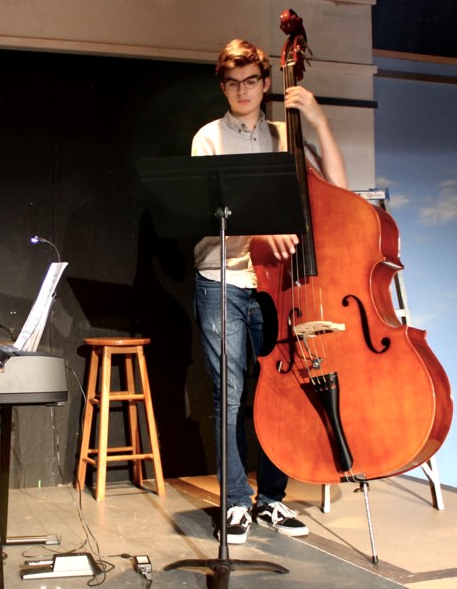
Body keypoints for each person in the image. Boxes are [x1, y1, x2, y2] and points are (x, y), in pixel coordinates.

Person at [191, 39, 348, 545]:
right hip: (224, 278)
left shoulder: (286, 134)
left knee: (278, 392)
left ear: (265, 82)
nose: (242, 90)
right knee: (231, 394)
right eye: (232, 82)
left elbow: (339, 195)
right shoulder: (209, 139)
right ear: (224, 86)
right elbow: (207, 215)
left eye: (252, 81)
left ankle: (272, 500)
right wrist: (258, 229)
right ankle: (236, 501)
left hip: (278, 287)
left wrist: (319, 122)